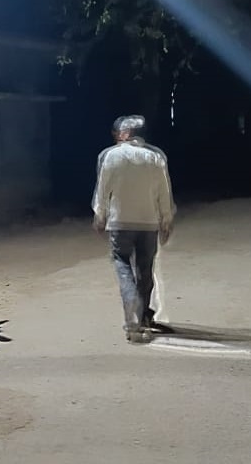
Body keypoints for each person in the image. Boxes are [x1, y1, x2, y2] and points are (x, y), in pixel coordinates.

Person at [92, 115, 176, 344]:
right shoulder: (155, 157)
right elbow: (163, 192)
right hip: (149, 224)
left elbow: (103, 190)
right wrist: (166, 220)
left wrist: (100, 215)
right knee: (145, 271)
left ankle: (133, 322)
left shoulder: (110, 156)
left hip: (120, 224)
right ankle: (142, 316)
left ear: (125, 134)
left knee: (122, 266)